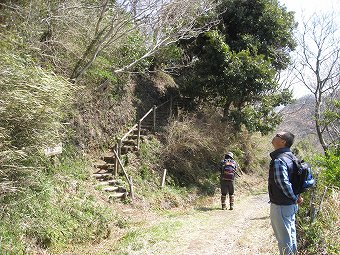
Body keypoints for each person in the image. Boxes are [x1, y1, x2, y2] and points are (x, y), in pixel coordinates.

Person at [268, 131, 303, 255]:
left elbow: (282, 183)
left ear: (283, 142)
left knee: (284, 240)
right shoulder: (292, 158)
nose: (275, 135)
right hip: (290, 205)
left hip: (281, 205)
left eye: (278, 135)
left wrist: (293, 197)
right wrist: (296, 197)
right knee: (290, 236)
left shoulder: (279, 160)